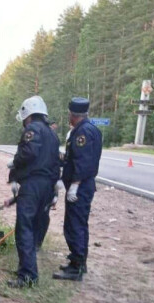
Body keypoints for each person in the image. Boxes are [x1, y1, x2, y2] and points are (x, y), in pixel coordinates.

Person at [7, 95, 61, 287]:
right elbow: (57, 163)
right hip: (47, 186)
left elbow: (28, 153)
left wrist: (15, 163)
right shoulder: (52, 133)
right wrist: (55, 191)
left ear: (27, 114)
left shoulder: (32, 129)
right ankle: (27, 269)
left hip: (32, 185)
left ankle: (28, 276)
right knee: (35, 226)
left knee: (25, 229)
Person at [53, 97, 102, 281]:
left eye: (69, 114)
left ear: (73, 114)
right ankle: (78, 261)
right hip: (82, 185)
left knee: (75, 226)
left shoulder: (82, 133)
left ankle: (77, 268)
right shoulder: (88, 130)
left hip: (80, 187)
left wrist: (74, 185)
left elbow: (83, 162)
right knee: (78, 224)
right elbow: (74, 158)